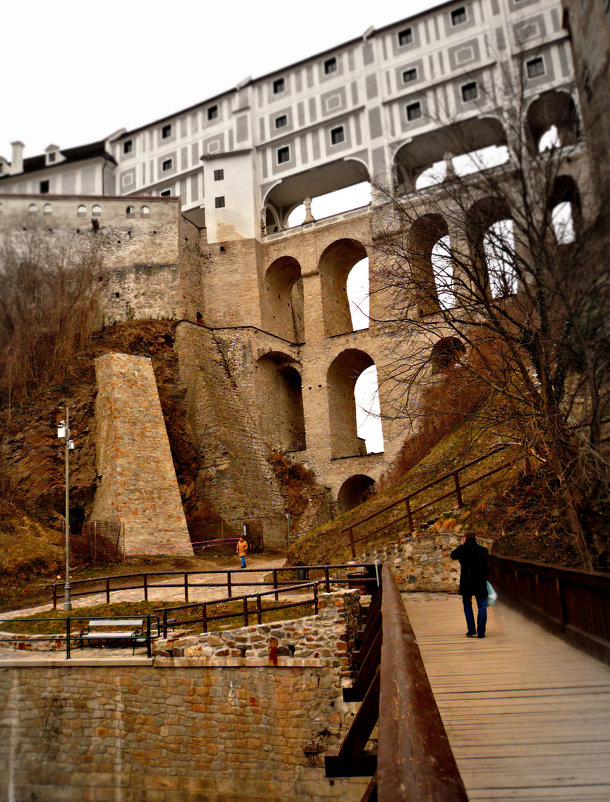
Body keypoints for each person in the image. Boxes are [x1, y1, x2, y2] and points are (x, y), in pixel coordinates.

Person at [450, 533, 489, 638]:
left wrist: (461, 546)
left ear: (465, 539)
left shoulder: (462, 550)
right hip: (480, 581)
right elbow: (487, 565)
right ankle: (481, 631)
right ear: (476, 538)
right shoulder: (483, 550)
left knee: (467, 605)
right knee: (482, 606)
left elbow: (452, 555)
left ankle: (471, 629)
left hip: (466, 581)